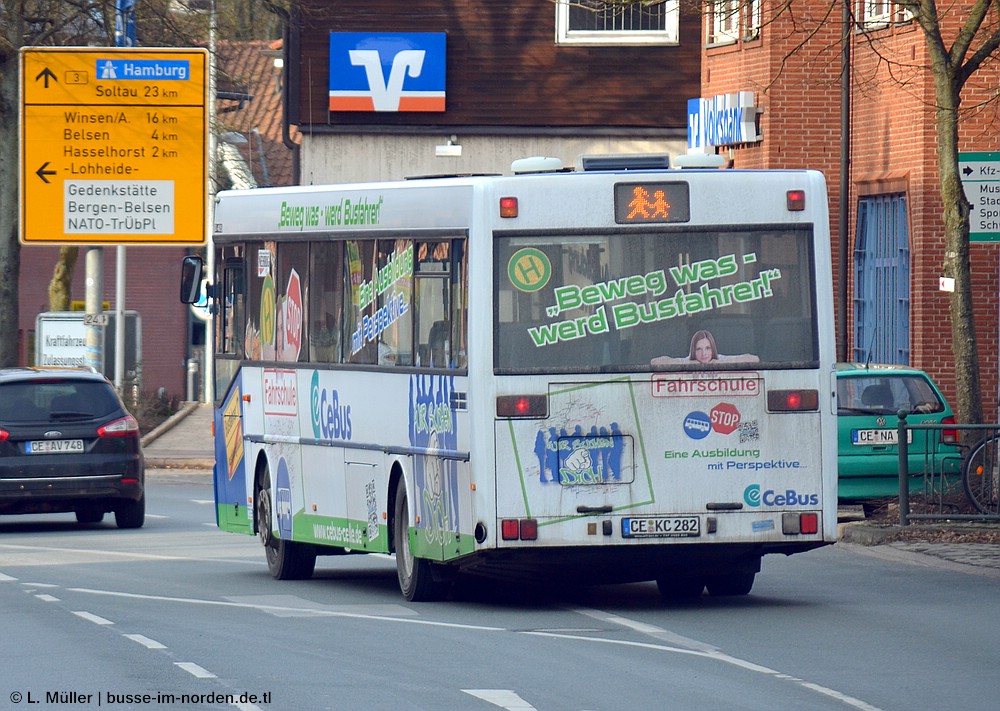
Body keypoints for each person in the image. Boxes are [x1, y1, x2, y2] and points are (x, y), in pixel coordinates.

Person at [650, 329, 759, 367]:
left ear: (713, 349)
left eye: (708, 348)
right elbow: (655, 362)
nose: (704, 353)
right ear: (693, 350)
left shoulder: (720, 360)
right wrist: (689, 365)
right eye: (699, 349)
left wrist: (722, 364)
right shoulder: (687, 362)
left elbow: (754, 359)